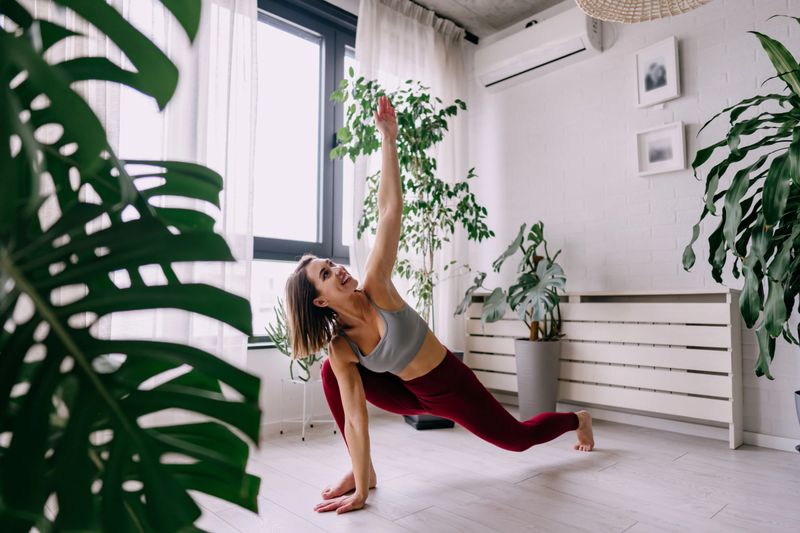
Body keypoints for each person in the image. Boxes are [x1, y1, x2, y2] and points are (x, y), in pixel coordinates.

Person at [284, 95, 595, 516]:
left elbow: (390, 210)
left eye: (330, 263)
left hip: (449, 384)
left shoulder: (376, 284)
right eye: (325, 274)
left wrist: (389, 140)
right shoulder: (342, 346)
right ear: (320, 300)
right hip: (406, 393)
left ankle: (578, 419)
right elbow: (356, 419)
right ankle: (364, 474)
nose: (336, 268)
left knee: (516, 439)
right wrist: (360, 491)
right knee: (330, 370)